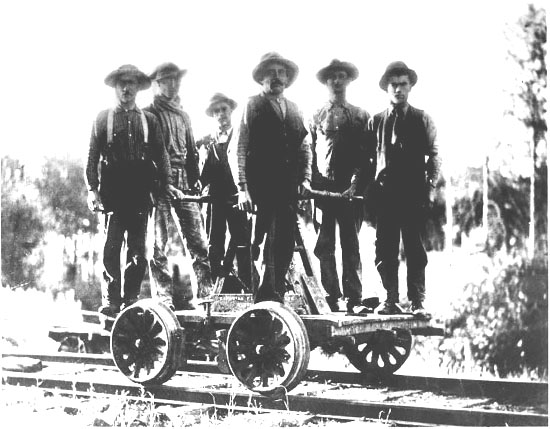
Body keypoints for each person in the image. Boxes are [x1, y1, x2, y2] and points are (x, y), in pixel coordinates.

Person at [86, 64, 172, 318]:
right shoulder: (103, 119)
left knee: (137, 251)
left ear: (138, 88)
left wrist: (164, 185)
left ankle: (130, 299)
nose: (126, 88)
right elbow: (92, 157)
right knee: (111, 247)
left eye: (131, 83)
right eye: (122, 83)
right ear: (115, 87)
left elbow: (161, 154)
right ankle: (111, 300)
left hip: (140, 190)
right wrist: (92, 189)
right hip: (113, 189)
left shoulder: (149, 120)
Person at [235, 52, 312, 303]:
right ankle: (260, 298)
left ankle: (277, 294)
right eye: (271, 73)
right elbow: (238, 147)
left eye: (281, 73)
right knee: (261, 241)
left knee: (285, 243)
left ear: (287, 79)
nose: (277, 78)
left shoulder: (294, 108)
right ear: (262, 78)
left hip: (287, 187)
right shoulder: (252, 105)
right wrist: (242, 188)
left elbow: (304, 147)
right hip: (260, 187)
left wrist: (305, 179)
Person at [369, 61, 441, 317]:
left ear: (410, 87)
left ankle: (418, 302)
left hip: (412, 194)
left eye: (403, 84)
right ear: (386, 88)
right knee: (384, 249)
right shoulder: (375, 121)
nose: (398, 89)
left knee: (415, 249)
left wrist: (430, 188)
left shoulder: (422, 119)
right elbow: (367, 161)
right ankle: (389, 299)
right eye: (394, 85)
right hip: (385, 195)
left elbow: (434, 156)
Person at [145, 62, 214, 310]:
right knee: (158, 244)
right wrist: (160, 184)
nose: (172, 84)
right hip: (160, 184)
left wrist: (196, 178)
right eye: (167, 80)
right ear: (157, 84)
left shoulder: (184, 115)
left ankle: (206, 296)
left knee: (198, 242)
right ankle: (163, 298)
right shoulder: (149, 114)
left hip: (185, 181)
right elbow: (147, 154)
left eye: (176, 80)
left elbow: (191, 151)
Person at [309, 59, 374, 313]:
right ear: (326, 82)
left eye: (341, 76)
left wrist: (355, 185)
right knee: (324, 244)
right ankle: (331, 297)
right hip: (323, 190)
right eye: (332, 77)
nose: (337, 81)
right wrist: (313, 185)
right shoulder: (316, 115)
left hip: (350, 192)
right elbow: (309, 154)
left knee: (351, 244)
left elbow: (368, 155)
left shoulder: (360, 116)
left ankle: (354, 299)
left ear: (348, 81)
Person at [199, 93, 251, 290]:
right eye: (217, 111)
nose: (221, 114)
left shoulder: (240, 136)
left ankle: (246, 286)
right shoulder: (207, 141)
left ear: (231, 112)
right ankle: (217, 288)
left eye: (224, 110)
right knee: (214, 243)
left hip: (237, 196)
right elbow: (202, 174)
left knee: (242, 242)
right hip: (214, 199)